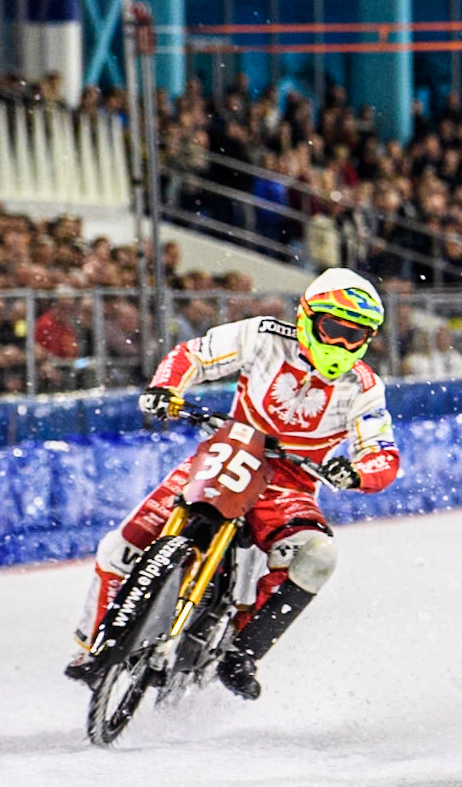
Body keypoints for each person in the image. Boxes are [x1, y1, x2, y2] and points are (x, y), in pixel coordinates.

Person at [66, 269, 400, 700]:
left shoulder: (365, 386)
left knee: (318, 555)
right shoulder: (261, 334)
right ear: (307, 318)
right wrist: (165, 389)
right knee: (119, 547)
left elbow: (382, 452)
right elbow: (195, 355)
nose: (341, 343)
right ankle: (94, 649)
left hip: (291, 485)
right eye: (334, 329)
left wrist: (357, 472)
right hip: (227, 452)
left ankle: (243, 651)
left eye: (356, 336)